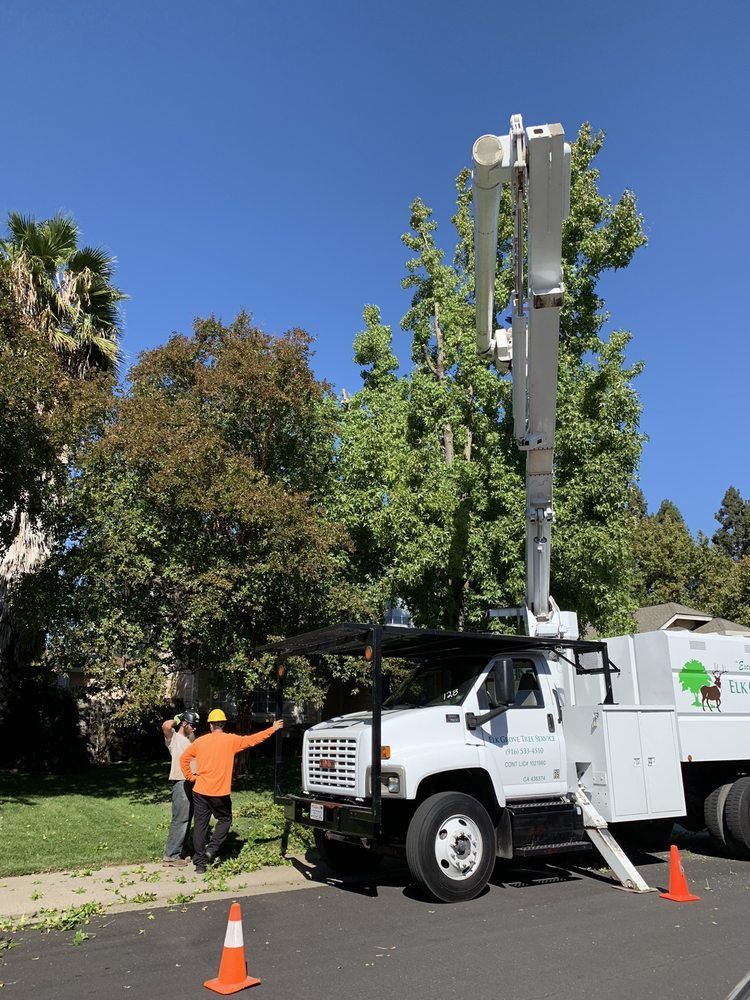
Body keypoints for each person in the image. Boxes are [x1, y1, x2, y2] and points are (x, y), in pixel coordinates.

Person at [180, 708, 283, 874]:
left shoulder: (200, 741)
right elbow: (253, 740)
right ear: (223, 724)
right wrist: (272, 728)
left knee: (200, 826)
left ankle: (200, 864)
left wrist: (191, 777)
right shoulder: (231, 740)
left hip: (200, 790)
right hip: (219, 793)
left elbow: (183, 759)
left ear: (211, 725)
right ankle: (211, 850)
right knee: (225, 819)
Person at [161, 710, 199, 866]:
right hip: (180, 782)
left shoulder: (191, 740)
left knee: (187, 818)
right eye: (193, 725)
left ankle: (180, 851)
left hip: (192, 782)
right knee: (180, 819)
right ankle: (171, 855)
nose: (195, 728)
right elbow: (166, 725)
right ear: (185, 724)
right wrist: (178, 718)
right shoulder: (174, 738)